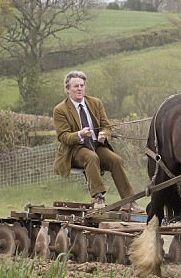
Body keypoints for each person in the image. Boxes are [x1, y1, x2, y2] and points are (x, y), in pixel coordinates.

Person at [53, 70, 142, 212]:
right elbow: (63, 137)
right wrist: (80, 134)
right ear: (67, 89)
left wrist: (104, 135)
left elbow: (107, 126)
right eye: (76, 86)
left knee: (116, 160)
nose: (79, 89)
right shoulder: (60, 110)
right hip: (75, 150)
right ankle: (97, 197)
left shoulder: (95, 103)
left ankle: (129, 201)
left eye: (82, 85)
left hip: (96, 145)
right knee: (91, 157)